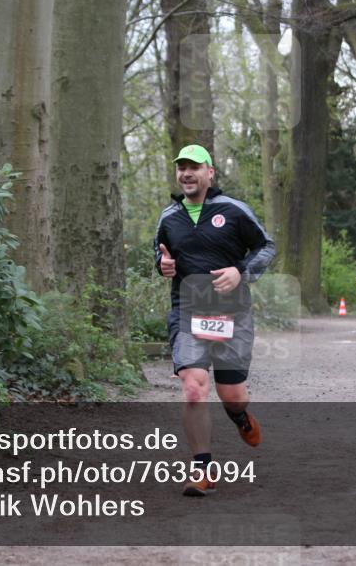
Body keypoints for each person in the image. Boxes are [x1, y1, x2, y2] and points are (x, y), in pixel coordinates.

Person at [154, 144, 276, 497]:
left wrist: (241, 272)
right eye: (181, 168)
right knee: (193, 387)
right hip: (187, 310)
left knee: (232, 395)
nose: (186, 173)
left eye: (194, 167)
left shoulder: (233, 210)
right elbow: (160, 255)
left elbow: (266, 247)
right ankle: (202, 468)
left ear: (210, 172)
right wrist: (163, 265)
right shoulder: (168, 216)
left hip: (231, 314)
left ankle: (240, 417)